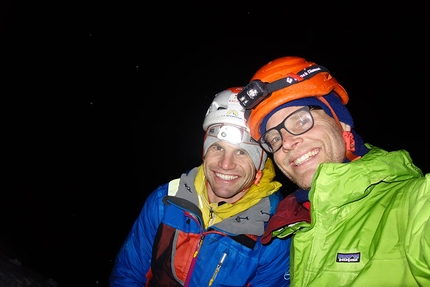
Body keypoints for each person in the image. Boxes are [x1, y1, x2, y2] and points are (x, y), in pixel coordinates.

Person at [236, 56, 430, 286]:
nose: (286, 142)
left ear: (341, 123)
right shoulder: (297, 224)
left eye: (300, 120)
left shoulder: (411, 205)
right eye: (274, 138)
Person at [109, 87, 291, 286]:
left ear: (260, 164)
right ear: (204, 151)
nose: (225, 164)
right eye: (218, 147)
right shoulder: (166, 201)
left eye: (242, 153)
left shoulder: (274, 233)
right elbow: (128, 274)